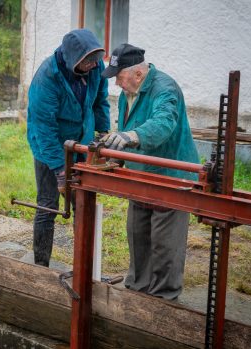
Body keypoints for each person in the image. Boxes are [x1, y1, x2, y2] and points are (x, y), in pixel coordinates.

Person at [100, 43, 199, 300]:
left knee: (165, 244)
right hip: (140, 175)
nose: (117, 84)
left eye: (119, 77)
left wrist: (132, 136)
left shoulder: (165, 89)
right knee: (137, 235)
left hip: (170, 175)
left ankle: (164, 299)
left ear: (138, 74)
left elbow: (163, 123)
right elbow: (125, 125)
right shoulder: (127, 93)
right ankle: (138, 289)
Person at [27, 29, 110, 267]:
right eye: (88, 61)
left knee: (84, 206)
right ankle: (41, 268)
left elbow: (100, 102)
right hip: (48, 145)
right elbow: (43, 127)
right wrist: (59, 169)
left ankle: (85, 270)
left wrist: (102, 133)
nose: (94, 65)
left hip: (81, 144)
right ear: (73, 58)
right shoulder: (47, 77)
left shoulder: (95, 70)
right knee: (47, 205)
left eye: (95, 59)